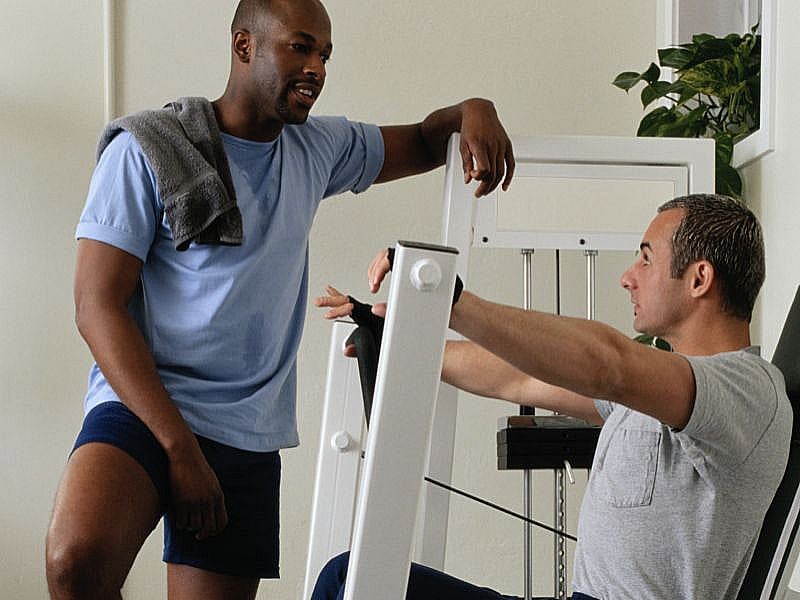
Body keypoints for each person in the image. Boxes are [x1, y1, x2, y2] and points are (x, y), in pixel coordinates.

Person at [43, 0, 515, 598]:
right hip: (144, 406)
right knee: (74, 562)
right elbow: (96, 307)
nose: (317, 67)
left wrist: (475, 109)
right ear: (244, 46)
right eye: (300, 47)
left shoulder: (319, 148)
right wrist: (179, 448)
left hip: (244, 429)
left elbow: (424, 139)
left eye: (325, 55)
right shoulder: (146, 150)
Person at [312, 194, 792, 599]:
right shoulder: (658, 392)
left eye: (646, 259)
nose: (628, 276)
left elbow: (609, 364)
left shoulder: (747, 391)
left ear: (699, 279)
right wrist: (404, 339)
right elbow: (515, 378)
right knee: (348, 578)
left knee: (353, 579)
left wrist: (447, 299)